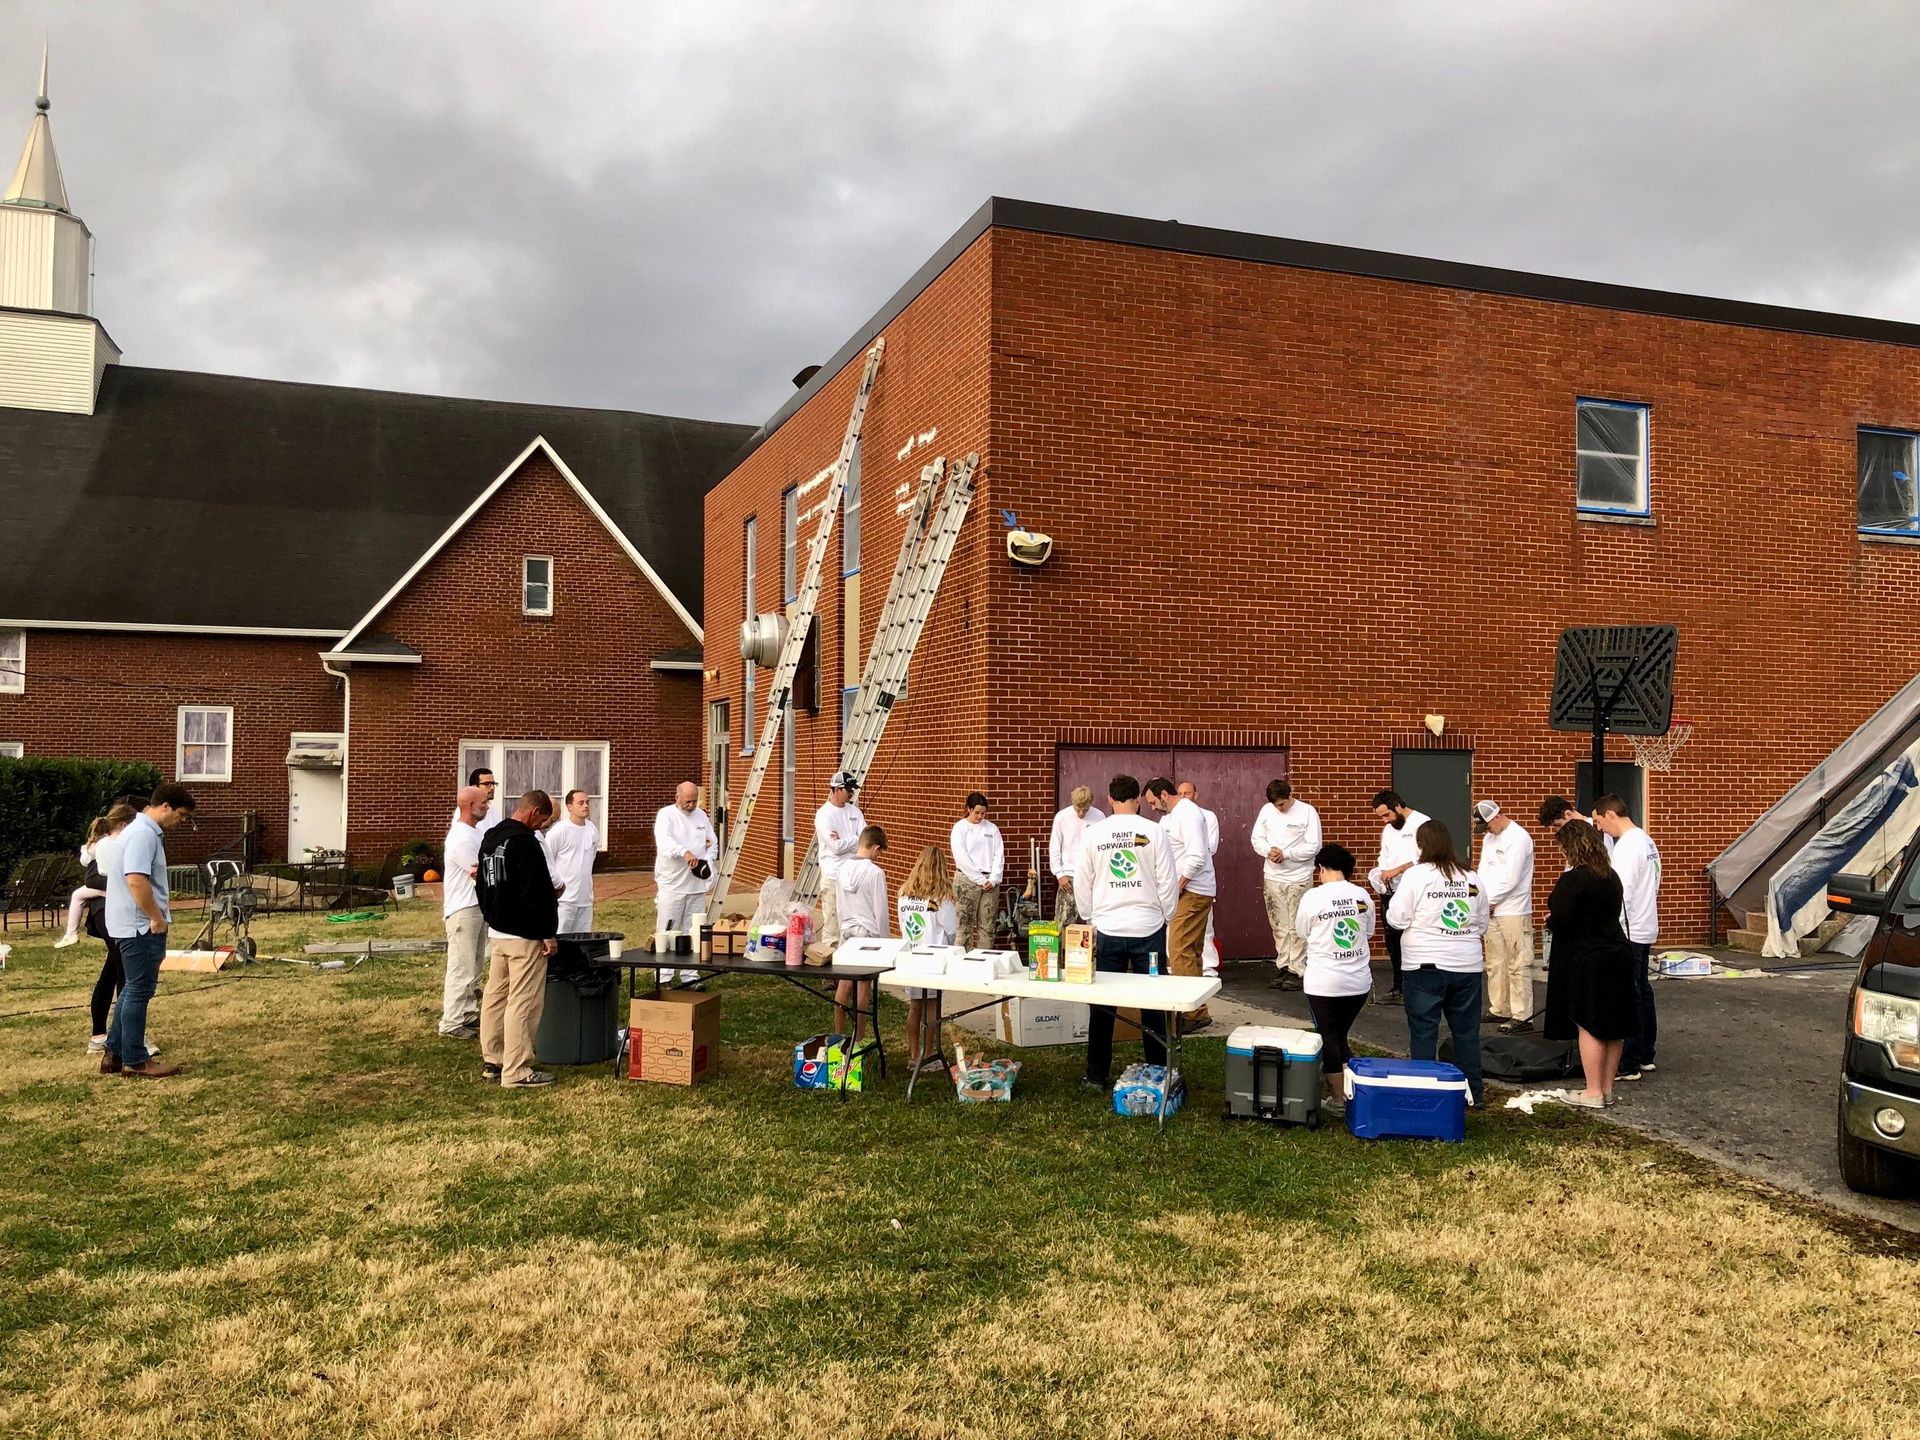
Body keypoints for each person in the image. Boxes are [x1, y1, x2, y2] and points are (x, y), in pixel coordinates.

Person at [1074, 774, 1179, 1092]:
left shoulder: (1094, 833)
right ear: (1137, 799)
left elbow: (1083, 879)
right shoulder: (1154, 831)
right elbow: (1167, 880)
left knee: (1103, 1005)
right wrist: (1166, 914)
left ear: (1108, 799)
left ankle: (1095, 1074)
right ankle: (1159, 1071)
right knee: (1153, 1004)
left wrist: (1090, 915)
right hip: (1148, 929)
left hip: (1107, 928)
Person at [1387, 819, 1489, 1106]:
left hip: (1424, 965)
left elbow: (1397, 918)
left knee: (1424, 1032)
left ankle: (1425, 1092)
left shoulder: (1417, 876)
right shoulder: (1471, 876)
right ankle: (1473, 1094)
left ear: (1421, 845)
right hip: (1467, 965)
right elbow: (1481, 922)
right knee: (1466, 1034)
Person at [100, 783, 197, 1079]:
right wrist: (155, 918)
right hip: (139, 926)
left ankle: (114, 1054)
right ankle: (136, 1060)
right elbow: (137, 880)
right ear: (164, 806)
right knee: (140, 990)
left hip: (126, 923)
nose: (182, 822)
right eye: (181, 815)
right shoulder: (144, 834)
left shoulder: (136, 830)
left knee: (131, 988)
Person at [1544, 819, 1638, 1108]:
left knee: (1590, 1024)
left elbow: (1561, 918)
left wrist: (1551, 922)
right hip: (1618, 953)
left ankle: (1593, 1090)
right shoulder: (1611, 876)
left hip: (1588, 958)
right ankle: (1607, 1088)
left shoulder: (1574, 879)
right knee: (1615, 1025)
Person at [477, 789, 560, 1089]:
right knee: (523, 1001)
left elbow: (482, 884)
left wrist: (491, 916)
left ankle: (494, 1059)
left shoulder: (491, 838)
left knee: (495, 995)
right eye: (543, 820)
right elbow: (536, 892)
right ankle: (517, 1070)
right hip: (525, 933)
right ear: (534, 811)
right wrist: (547, 931)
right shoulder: (526, 843)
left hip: (497, 930)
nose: (543, 827)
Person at [1293, 842, 1376, 1108]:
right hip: (1358, 983)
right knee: (1339, 1036)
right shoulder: (1363, 895)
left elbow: (1302, 932)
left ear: (1322, 868)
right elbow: (1369, 932)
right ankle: (1356, 1089)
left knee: (1329, 1037)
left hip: (1324, 982)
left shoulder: (1313, 897)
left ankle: (1339, 1100)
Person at [1592, 794, 1662, 1081]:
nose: (1599, 829)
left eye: (1598, 821)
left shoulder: (1626, 847)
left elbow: (1620, 893)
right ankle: (1645, 1053)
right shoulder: (1647, 841)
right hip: (1645, 924)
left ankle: (1629, 1061)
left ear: (1610, 814)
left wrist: (1611, 928)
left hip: (1629, 929)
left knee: (1630, 994)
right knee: (1642, 991)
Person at [1146, 777, 1213, 1029]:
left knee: (1178, 948)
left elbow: (1196, 856)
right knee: (1191, 952)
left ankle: (1191, 1015)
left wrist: (1178, 886)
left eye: (1153, 801)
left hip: (1193, 890)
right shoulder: (1171, 817)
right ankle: (1198, 1011)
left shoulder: (1187, 812)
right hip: (1189, 890)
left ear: (1164, 794)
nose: (1152, 807)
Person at [1251, 778, 1322, 990]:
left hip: (1299, 876)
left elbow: (1314, 845)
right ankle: (1283, 963)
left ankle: (1298, 968)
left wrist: (1287, 854)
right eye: (1275, 805)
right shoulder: (1266, 811)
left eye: (1281, 804)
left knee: (1296, 924)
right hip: (1273, 875)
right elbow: (1256, 838)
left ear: (1290, 796)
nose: (1279, 808)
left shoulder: (1307, 812)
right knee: (1278, 924)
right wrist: (1268, 851)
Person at [1475, 799, 1537, 1032]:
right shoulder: (1489, 837)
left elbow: (1511, 877)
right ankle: (1499, 1007)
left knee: (1518, 963)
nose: (1487, 831)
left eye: (1488, 825)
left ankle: (1522, 1015)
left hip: (1514, 909)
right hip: (1491, 907)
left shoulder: (1518, 838)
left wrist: (1490, 901)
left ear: (1497, 817)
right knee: (1495, 961)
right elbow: (1484, 869)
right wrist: (1483, 899)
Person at [897, 844, 958, 1073]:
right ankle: (929, 1053)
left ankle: (914, 1054)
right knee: (932, 1006)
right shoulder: (943, 898)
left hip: (911, 956)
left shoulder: (904, 893)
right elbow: (951, 930)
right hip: (934, 959)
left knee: (914, 1006)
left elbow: (903, 924)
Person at [83, 803, 138, 1055]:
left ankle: (100, 1035)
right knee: (125, 973)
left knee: (112, 972)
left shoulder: (122, 844)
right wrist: (125, 879)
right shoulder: (108, 844)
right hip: (106, 911)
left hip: (117, 911)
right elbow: (92, 879)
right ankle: (123, 1038)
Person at [1366, 790, 1430, 1006]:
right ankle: (1398, 986)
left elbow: (1426, 857)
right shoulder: (1388, 829)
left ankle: (1416, 987)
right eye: (1381, 817)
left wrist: (1398, 869)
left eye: (1387, 815)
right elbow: (1383, 857)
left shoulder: (1422, 823)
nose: (1385, 820)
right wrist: (1380, 873)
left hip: (1416, 891)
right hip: (1391, 892)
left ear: (1397, 806)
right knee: (1393, 941)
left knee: (1414, 939)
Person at [438, 785, 490, 1039]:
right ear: (469, 805)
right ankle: (451, 1021)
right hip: (463, 908)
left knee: (475, 964)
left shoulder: (475, 832)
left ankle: (468, 1012)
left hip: (477, 906)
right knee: (461, 966)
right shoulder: (460, 836)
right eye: (483, 802)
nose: (487, 805)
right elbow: (479, 871)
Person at [653, 781, 718, 984]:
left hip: (696, 885)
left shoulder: (701, 816)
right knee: (669, 929)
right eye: (688, 801)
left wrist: (707, 864)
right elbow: (664, 842)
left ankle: (691, 974)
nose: (691, 805)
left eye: (694, 801)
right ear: (677, 798)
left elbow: (712, 841)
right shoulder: (666, 815)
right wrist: (684, 852)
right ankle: (664, 975)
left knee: (693, 930)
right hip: (672, 884)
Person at [833, 824, 889, 1038]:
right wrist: (885, 942)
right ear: (874, 848)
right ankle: (860, 1037)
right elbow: (881, 911)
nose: (879, 856)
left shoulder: (842, 870)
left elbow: (838, 904)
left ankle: (838, 1033)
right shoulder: (875, 872)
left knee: (844, 984)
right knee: (863, 986)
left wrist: (841, 929)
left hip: (847, 930)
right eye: (880, 851)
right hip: (867, 933)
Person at [813, 772, 866, 949]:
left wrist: (845, 838)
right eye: (848, 789)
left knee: (853, 922)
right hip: (833, 876)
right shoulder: (824, 814)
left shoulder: (855, 812)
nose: (851, 793)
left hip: (853, 875)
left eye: (852, 789)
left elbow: (866, 841)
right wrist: (855, 838)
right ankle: (830, 969)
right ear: (837, 789)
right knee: (832, 925)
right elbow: (835, 848)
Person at [1177, 781, 1224, 976]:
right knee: (1176, 928)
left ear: (1196, 795)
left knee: (1205, 925)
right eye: (1180, 793)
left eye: (1187, 793)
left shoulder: (1207, 816)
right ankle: (1177, 964)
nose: (1183, 796)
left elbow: (1210, 847)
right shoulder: (1172, 818)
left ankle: (1208, 965)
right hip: (1177, 880)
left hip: (1199, 880)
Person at [949, 792, 1004, 949]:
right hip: (967, 879)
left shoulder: (992, 829)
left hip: (990, 881)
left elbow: (998, 855)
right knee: (964, 925)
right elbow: (961, 857)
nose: (980, 816)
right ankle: (961, 959)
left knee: (987, 927)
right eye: (977, 813)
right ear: (969, 809)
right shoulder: (960, 828)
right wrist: (980, 879)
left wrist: (993, 878)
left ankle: (984, 958)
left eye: (983, 813)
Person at [544, 788, 601, 934]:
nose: (586, 806)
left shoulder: (592, 829)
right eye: (581, 803)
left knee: (582, 941)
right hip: (564, 899)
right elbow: (546, 859)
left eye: (587, 802)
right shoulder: (559, 831)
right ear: (570, 807)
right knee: (561, 938)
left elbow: (592, 857)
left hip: (585, 898)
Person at [54, 815, 112, 949]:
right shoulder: (113, 841)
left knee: (77, 895)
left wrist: (87, 846)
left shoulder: (96, 846)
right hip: (108, 881)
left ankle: (71, 933)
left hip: (104, 884)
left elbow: (84, 861)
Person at [1049, 786, 1104, 927]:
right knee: (1063, 919)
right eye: (1077, 809)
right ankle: (1062, 949)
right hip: (1068, 874)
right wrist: (1059, 874)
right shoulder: (1062, 817)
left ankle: (1094, 948)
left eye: (1085, 810)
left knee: (1095, 918)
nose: (1081, 813)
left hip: (1092, 875)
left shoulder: (1099, 816)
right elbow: (1055, 846)